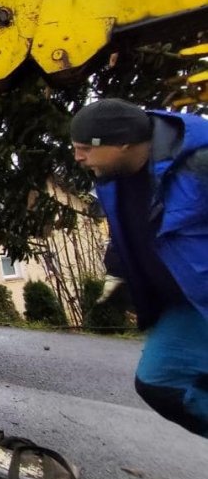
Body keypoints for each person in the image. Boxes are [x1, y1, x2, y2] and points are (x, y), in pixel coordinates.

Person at [70, 97, 208, 437]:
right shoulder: (115, 176)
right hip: (186, 305)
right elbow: (128, 229)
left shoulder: (200, 163)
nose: (78, 157)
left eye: (85, 148)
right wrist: (119, 273)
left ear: (124, 143)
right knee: (159, 382)